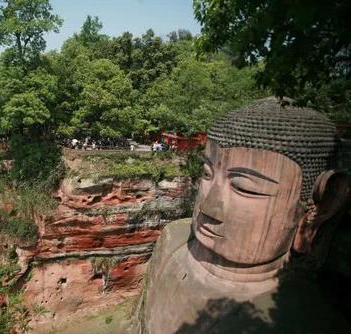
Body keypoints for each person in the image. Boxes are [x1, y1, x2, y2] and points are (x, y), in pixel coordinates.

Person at [134, 98, 350, 334]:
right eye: (207, 174)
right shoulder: (172, 240)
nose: (208, 208)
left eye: (244, 188)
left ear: (322, 206)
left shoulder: (298, 320)